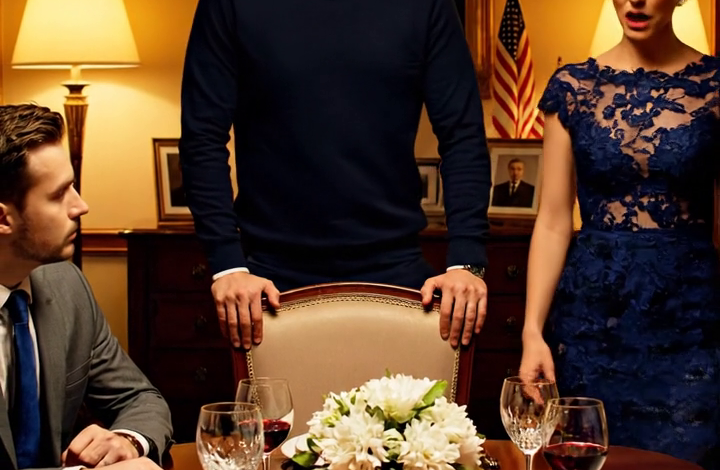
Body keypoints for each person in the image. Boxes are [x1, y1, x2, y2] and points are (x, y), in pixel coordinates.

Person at [179, 0, 492, 351]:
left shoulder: (427, 6)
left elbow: (462, 136)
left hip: (396, 271)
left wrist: (467, 261)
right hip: (268, 278)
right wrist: (227, 265)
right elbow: (202, 138)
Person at [518, 0, 720, 467]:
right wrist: (532, 332)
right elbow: (553, 221)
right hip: (592, 326)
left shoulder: (714, 86)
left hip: (691, 327)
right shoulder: (571, 87)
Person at [0, 104, 172, 470]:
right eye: (59, 194)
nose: (81, 206)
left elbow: (140, 399)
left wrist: (126, 441)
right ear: (3, 217)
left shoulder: (66, 285)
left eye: (73, 186)